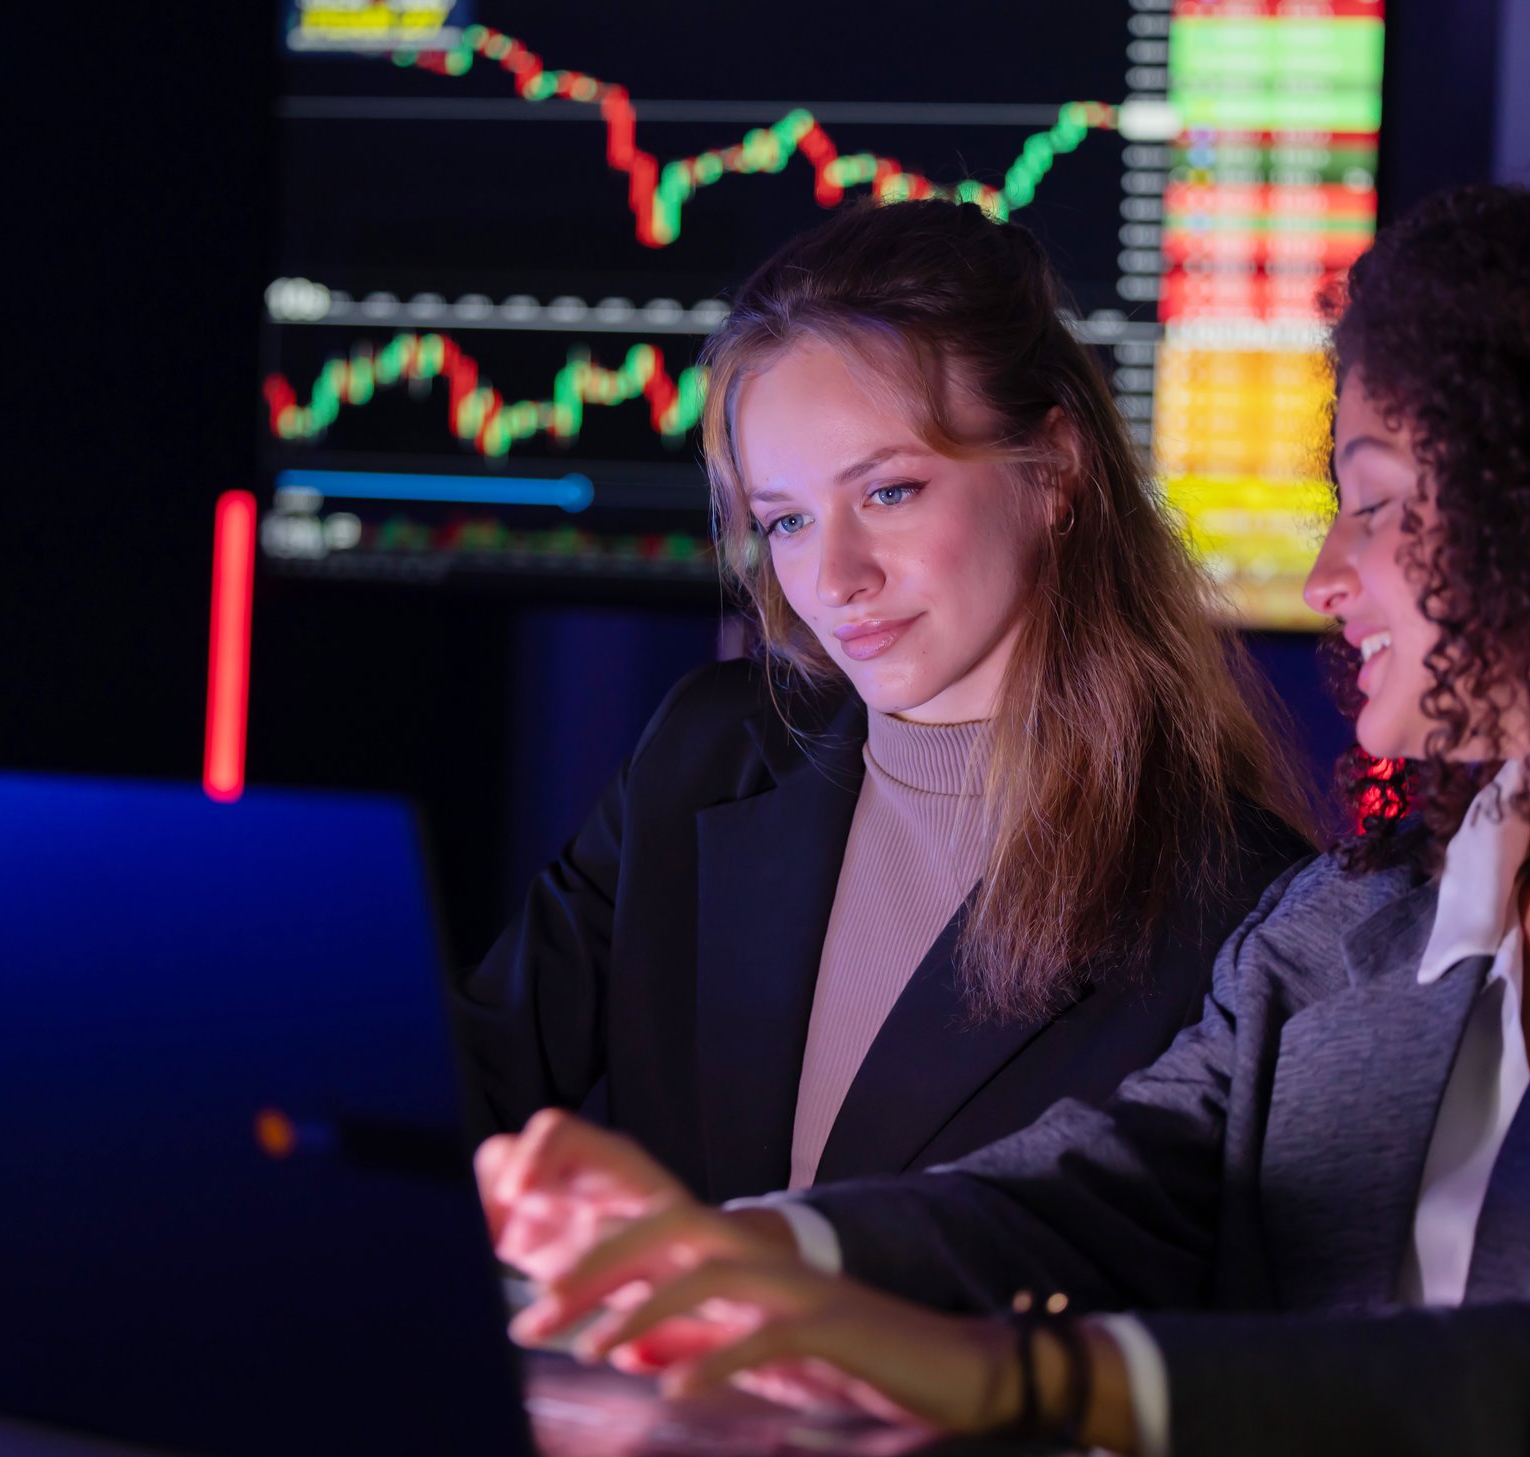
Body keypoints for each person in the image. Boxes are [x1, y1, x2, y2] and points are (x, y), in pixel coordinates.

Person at [475, 185, 1530, 1457]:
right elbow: (1103, 1188)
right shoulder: (1358, 924)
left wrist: (1028, 1377)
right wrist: (750, 1252)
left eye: (1373, 508)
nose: (1327, 574)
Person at [456, 199, 1317, 1203]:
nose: (833, 578)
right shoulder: (707, 754)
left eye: (890, 492)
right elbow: (465, 1080)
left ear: (1056, 468)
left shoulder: (1243, 907)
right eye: (785, 521)